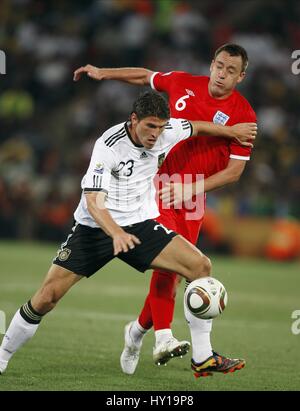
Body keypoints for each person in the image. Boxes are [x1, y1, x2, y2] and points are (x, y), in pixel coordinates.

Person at [0, 91, 256, 375]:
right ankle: (2, 356)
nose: (156, 135)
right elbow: (93, 201)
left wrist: (231, 131)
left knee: (200, 266)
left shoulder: (167, 131)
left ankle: (202, 356)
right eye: (150, 126)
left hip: (140, 224)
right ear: (134, 120)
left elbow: (197, 126)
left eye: (161, 127)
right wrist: (116, 234)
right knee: (46, 297)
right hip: (95, 228)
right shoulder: (108, 146)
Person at [73, 43, 257, 378]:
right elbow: (145, 76)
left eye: (231, 70)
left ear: (241, 76)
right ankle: (174, 343)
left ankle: (137, 332)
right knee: (168, 270)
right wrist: (103, 73)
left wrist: (192, 188)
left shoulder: (244, 115)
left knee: (183, 271)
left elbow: (234, 172)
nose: (221, 74)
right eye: (218, 65)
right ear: (211, 64)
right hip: (158, 186)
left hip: (192, 197)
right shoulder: (184, 83)